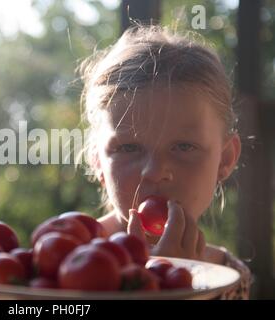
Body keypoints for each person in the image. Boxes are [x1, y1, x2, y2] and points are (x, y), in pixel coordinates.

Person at [78, 25, 251, 299]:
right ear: (98, 160)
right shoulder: (63, 266)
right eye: (129, 147)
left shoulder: (228, 280)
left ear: (225, 159)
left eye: (184, 146)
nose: (155, 172)